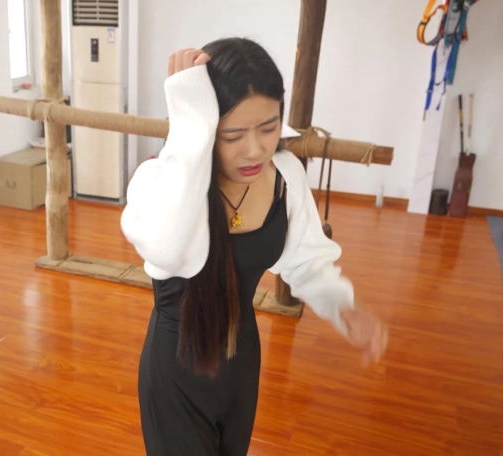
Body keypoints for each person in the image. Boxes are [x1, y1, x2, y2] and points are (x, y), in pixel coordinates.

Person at [119, 37, 388, 456]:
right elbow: (168, 251)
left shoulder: (285, 176)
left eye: (268, 128)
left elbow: (307, 261)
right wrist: (188, 126)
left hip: (242, 361)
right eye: (233, 134)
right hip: (177, 369)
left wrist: (342, 305)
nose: (254, 149)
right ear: (204, 125)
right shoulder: (157, 181)